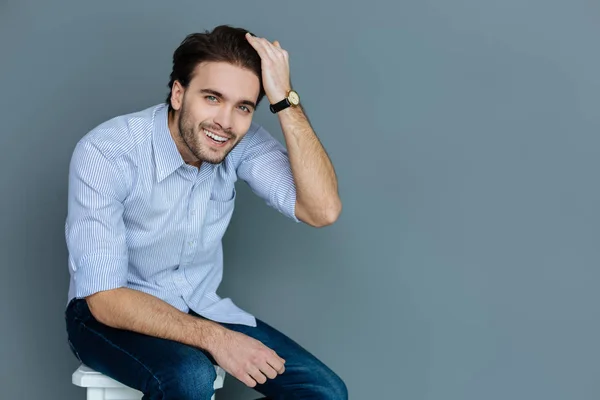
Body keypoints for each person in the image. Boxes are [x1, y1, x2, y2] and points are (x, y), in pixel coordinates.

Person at [64, 24, 347, 400]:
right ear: (179, 94)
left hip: (197, 305)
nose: (226, 122)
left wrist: (285, 100)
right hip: (106, 315)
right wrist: (217, 338)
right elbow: (105, 298)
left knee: (323, 392)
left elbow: (322, 209)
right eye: (212, 98)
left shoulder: (239, 144)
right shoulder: (107, 153)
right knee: (191, 376)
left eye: (243, 107)